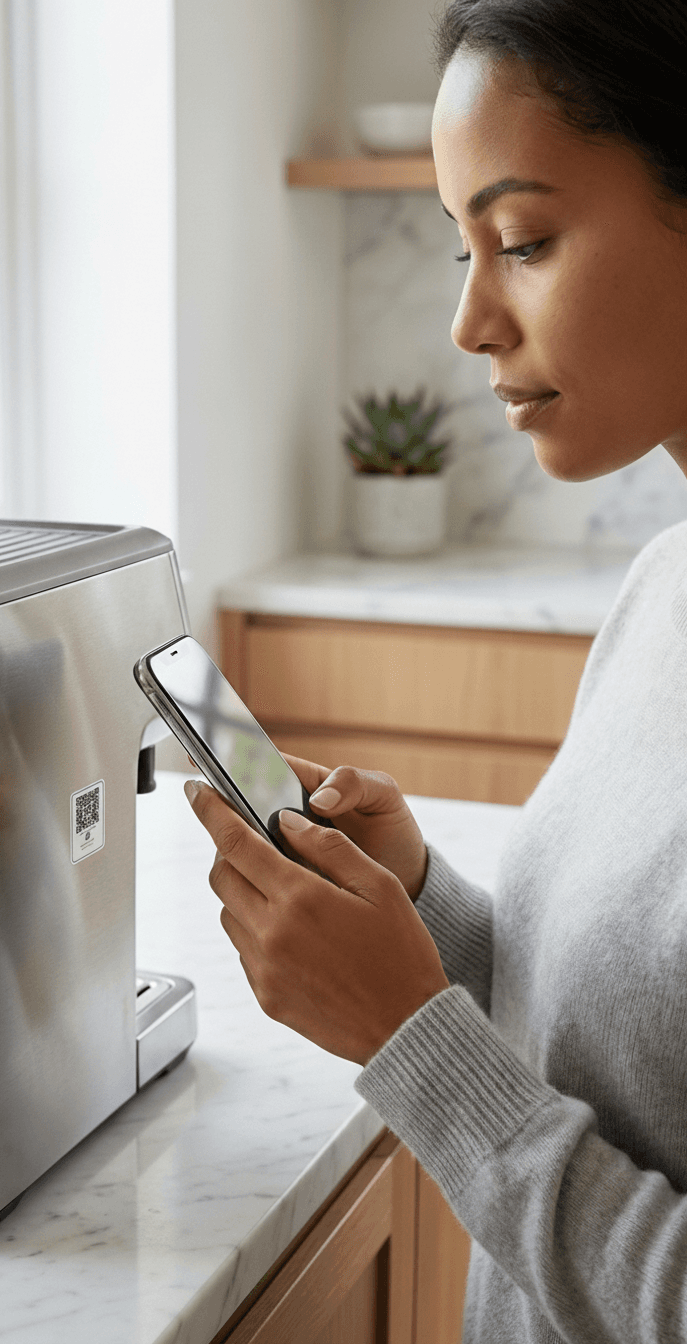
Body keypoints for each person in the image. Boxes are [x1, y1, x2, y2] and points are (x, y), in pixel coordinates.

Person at [185, 1, 687, 1338]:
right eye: (462, 249)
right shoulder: (665, 588)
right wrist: (422, 901)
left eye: (521, 242)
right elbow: (614, 1049)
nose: (469, 322)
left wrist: (413, 1039)